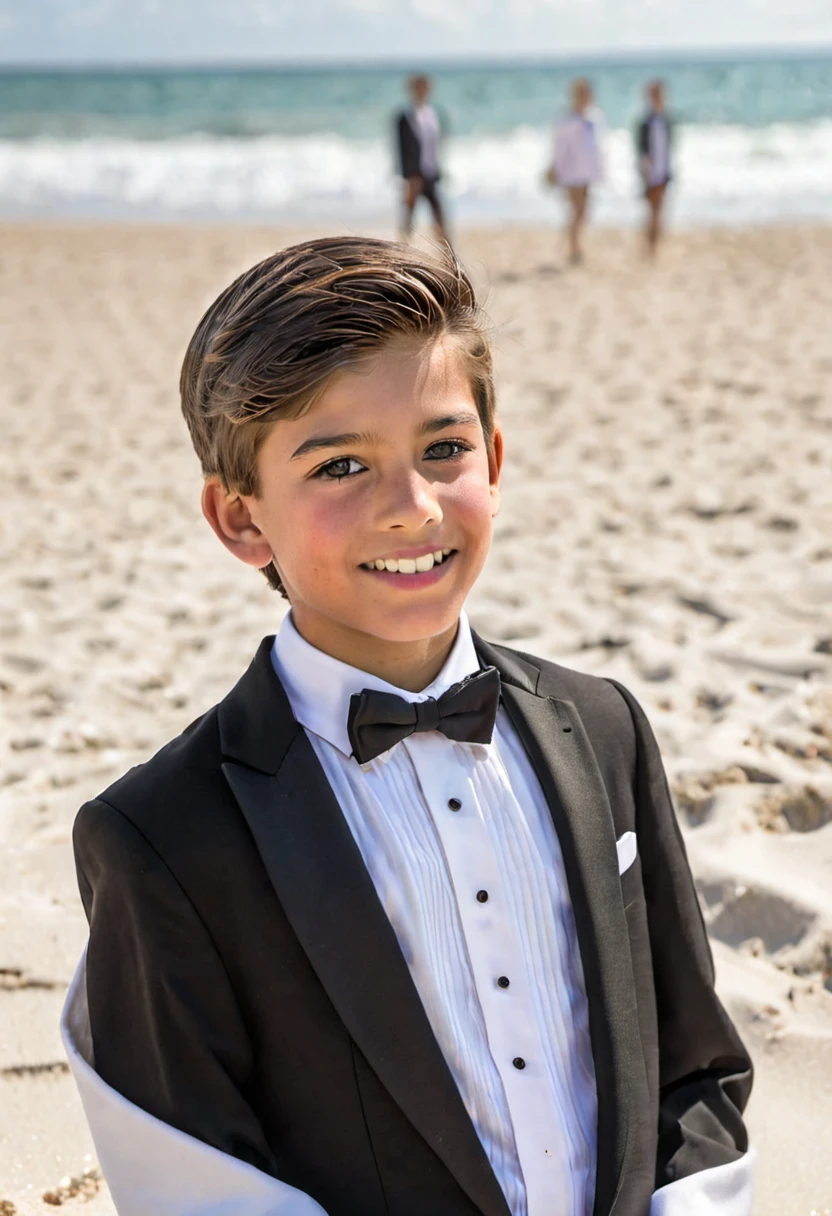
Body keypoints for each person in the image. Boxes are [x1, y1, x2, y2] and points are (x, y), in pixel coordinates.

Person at [62, 236, 755, 1216]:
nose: (411, 506)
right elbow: (198, 1181)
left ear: (495, 456)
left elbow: (694, 1066)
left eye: (443, 448)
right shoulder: (162, 836)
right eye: (340, 464)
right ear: (240, 519)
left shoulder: (603, 728)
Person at [549, 78, 604, 265]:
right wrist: (555, 168)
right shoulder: (566, 121)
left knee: (583, 211)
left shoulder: (593, 118)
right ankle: (574, 248)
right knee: (577, 211)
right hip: (571, 174)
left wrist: (599, 171)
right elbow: (558, 149)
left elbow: (596, 148)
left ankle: (574, 245)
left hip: (586, 173)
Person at [396, 74, 449, 246]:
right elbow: (402, 149)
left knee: (438, 213)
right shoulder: (405, 116)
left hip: (431, 172)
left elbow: (434, 145)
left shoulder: (433, 114)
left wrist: (439, 169)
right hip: (414, 174)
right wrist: (408, 177)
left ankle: (447, 254)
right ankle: (403, 248)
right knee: (409, 215)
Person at [637, 80, 673, 255]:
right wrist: (645, 171)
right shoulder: (646, 122)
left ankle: (653, 243)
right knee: (653, 210)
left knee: (659, 209)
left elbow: (669, 148)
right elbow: (642, 150)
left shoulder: (665, 120)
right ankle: (650, 244)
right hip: (651, 172)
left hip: (663, 171)